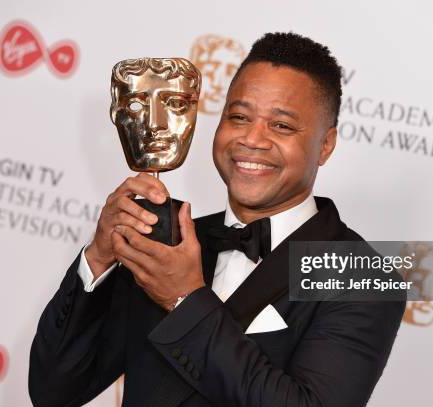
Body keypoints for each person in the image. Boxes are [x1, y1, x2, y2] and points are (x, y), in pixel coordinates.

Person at [29, 32, 406, 407]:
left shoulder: (362, 276)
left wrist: (185, 299)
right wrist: (98, 258)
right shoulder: (168, 241)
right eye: (239, 117)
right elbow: (54, 390)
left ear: (325, 145)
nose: (252, 139)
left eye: (282, 126)